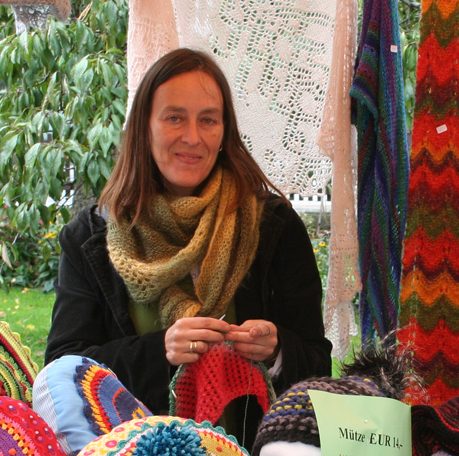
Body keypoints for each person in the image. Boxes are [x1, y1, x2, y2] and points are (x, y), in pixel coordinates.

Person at [45, 48, 331, 419]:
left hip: (253, 453)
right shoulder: (91, 238)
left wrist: (277, 351)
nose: (193, 137)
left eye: (208, 120)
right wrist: (160, 351)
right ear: (144, 128)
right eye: (175, 118)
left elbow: (317, 366)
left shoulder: (274, 226)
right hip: (132, 452)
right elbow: (62, 371)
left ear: (224, 131)